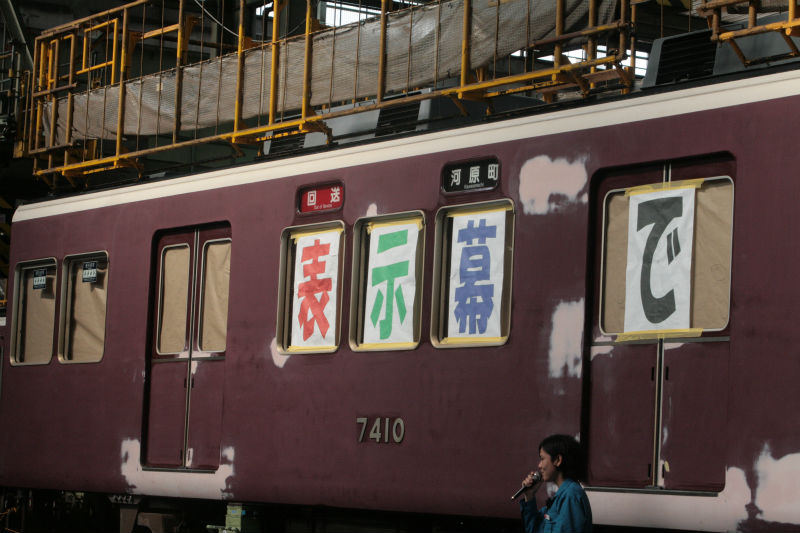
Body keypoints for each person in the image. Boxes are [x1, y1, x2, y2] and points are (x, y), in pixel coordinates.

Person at [518, 434, 592, 533]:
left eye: (542, 459)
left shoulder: (571, 495)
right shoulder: (561, 496)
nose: (539, 465)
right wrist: (529, 495)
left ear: (558, 460)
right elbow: (534, 529)